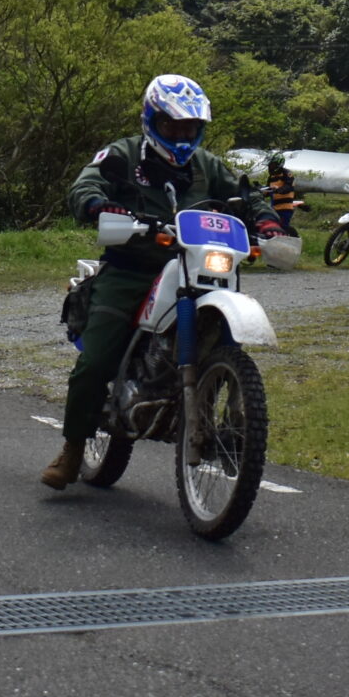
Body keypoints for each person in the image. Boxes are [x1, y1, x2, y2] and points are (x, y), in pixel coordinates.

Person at [43, 75, 278, 489]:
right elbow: (87, 184)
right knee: (95, 362)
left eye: (190, 128)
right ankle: (73, 447)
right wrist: (97, 203)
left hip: (197, 267)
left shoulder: (207, 165)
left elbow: (245, 194)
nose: (182, 136)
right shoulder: (123, 154)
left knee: (224, 338)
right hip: (132, 269)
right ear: (152, 121)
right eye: (173, 126)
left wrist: (267, 220)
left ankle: (230, 419)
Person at [264, 154, 306, 236]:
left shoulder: (287, 173)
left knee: (283, 228)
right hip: (274, 208)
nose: (270, 167)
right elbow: (267, 189)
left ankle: (292, 239)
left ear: (278, 165)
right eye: (269, 166)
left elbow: (288, 187)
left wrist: (279, 189)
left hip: (285, 208)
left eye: (272, 165)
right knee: (271, 226)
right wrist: (260, 190)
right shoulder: (271, 177)